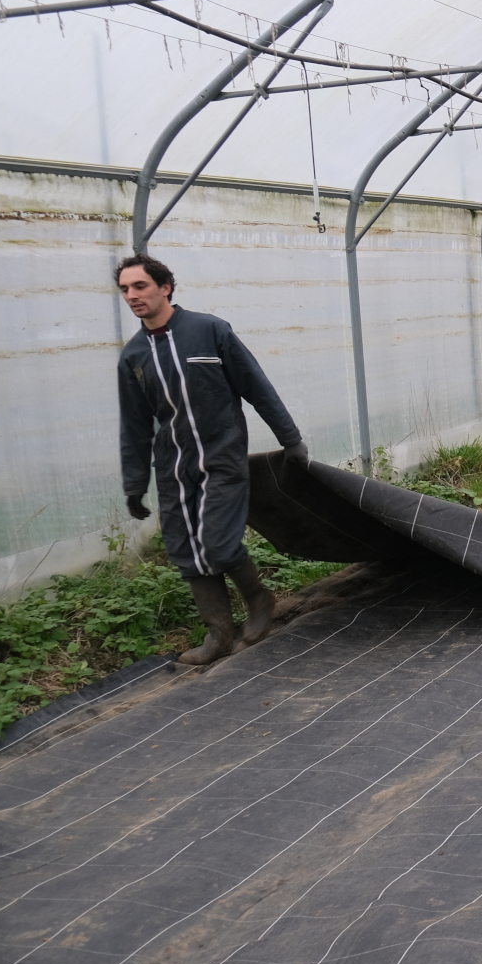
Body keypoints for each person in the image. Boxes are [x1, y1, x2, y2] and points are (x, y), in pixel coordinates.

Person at [115, 254, 310, 667]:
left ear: (165, 286)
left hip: (221, 458)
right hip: (173, 468)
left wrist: (289, 439)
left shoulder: (209, 331)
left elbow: (256, 385)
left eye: (140, 286)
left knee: (219, 544)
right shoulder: (133, 356)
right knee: (185, 549)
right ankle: (219, 633)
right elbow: (134, 426)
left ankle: (260, 601)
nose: (132, 296)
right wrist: (134, 483)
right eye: (125, 290)